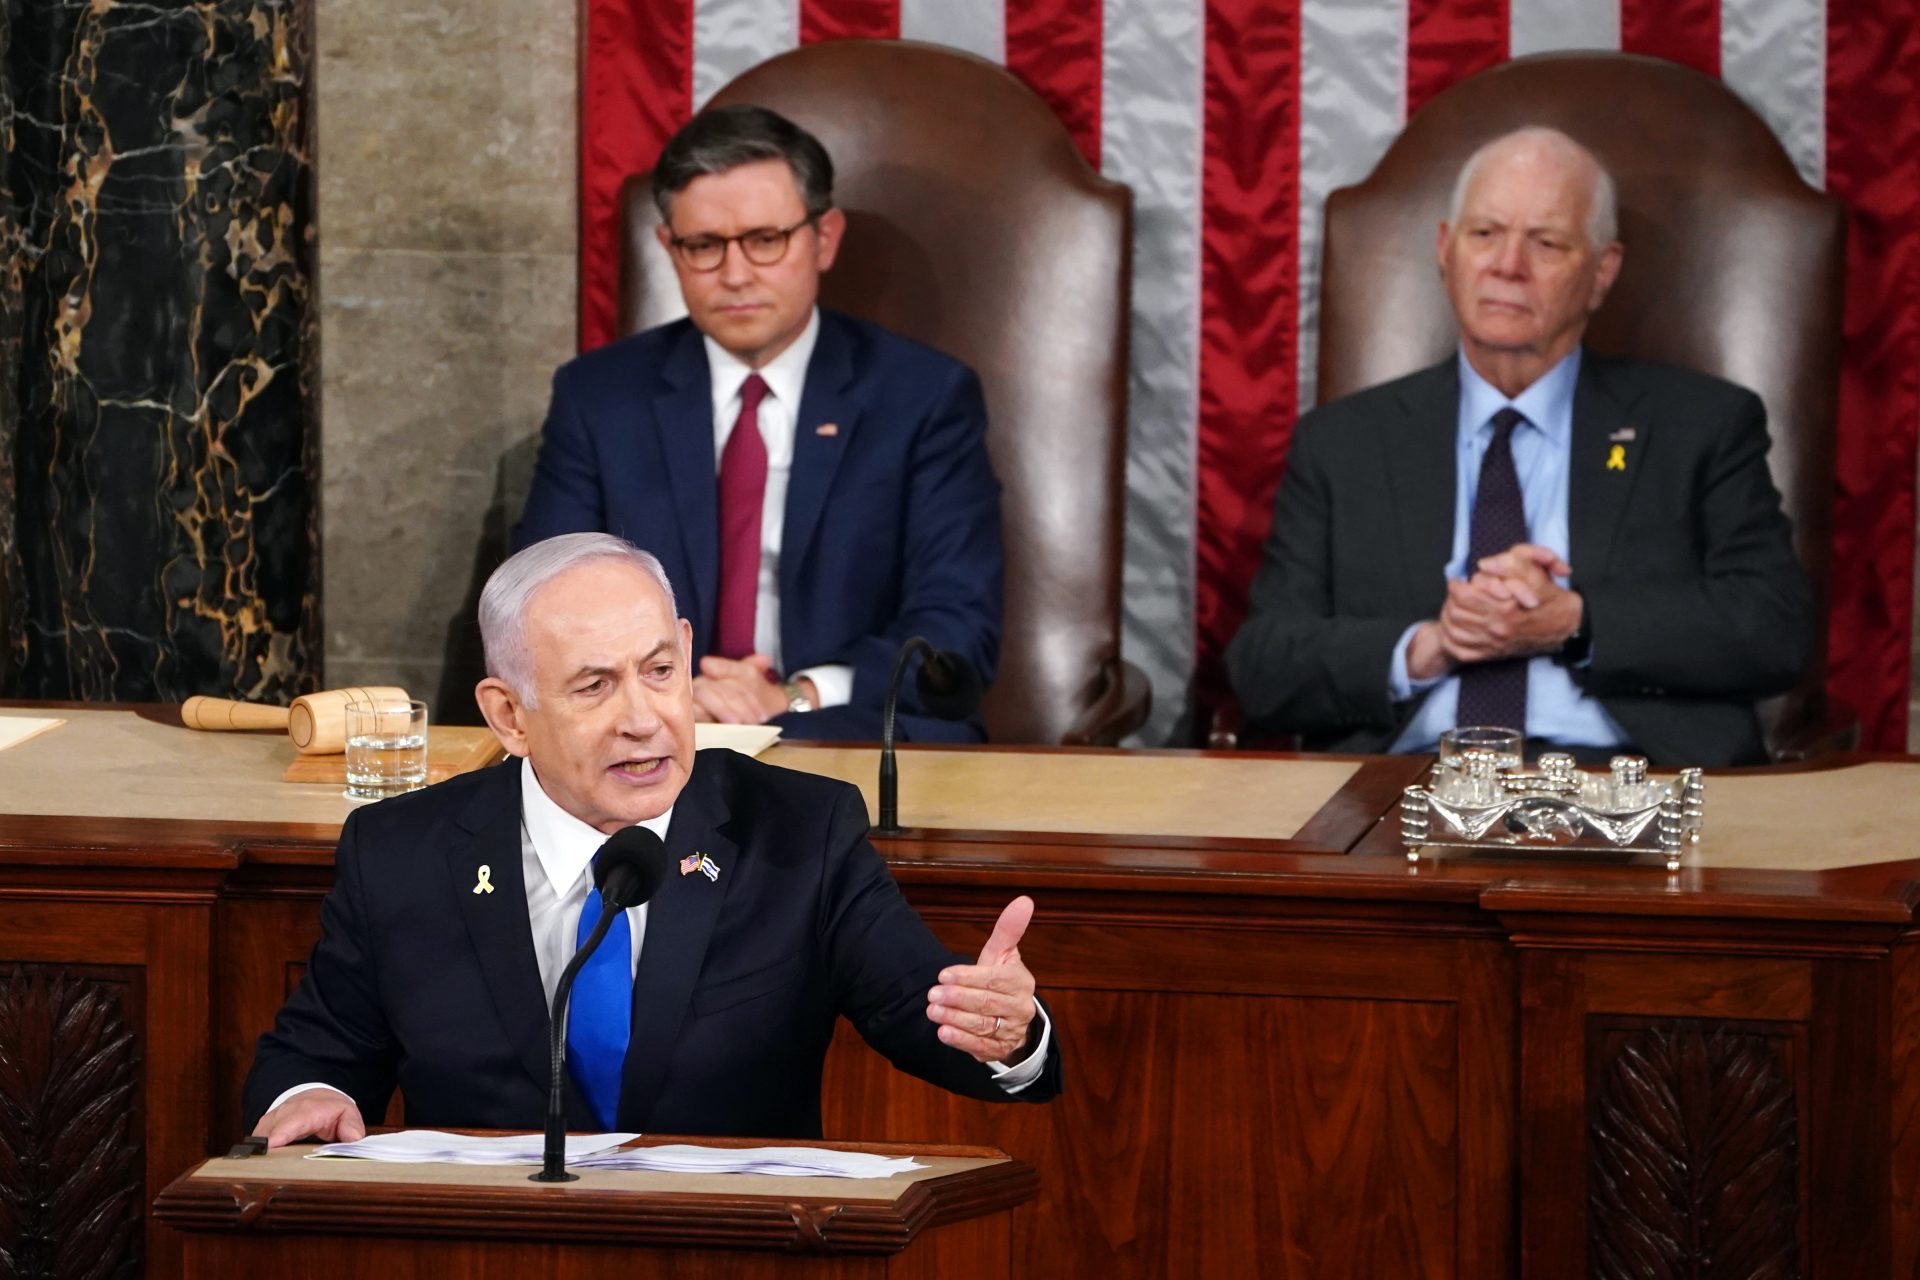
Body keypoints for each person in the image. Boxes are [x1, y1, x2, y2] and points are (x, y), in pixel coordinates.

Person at [244, 534, 1057, 1145]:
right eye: (594, 686)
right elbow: (316, 1053)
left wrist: (1008, 1032)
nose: (643, 719)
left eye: (661, 672)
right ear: (509, 715)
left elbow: (928, 1014)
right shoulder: (402, 852)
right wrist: (310, 1097)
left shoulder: (797, 833)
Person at [1226, 126, 1812, 767]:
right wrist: (1428, 647)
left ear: (1602, 271)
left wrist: (1575, 622)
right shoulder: (1343, 442)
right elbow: (1263, 666)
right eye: (1485, 233)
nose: (1508, 265)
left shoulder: (1700, 425)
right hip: (1406, 784)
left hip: (1634, 783)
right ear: (1446, 251)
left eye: (1546, 242)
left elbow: (1774, 629)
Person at [512, 105, 1001, 743]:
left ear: (824, 239)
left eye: (765, 240)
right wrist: (669, 689)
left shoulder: (923, 398)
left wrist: (794, 697)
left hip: (851, 733)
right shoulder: (600, 397)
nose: (736, 275)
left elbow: (956, 631)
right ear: (669, 248)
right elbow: (541, 604)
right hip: (650, 732)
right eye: (704, 246)